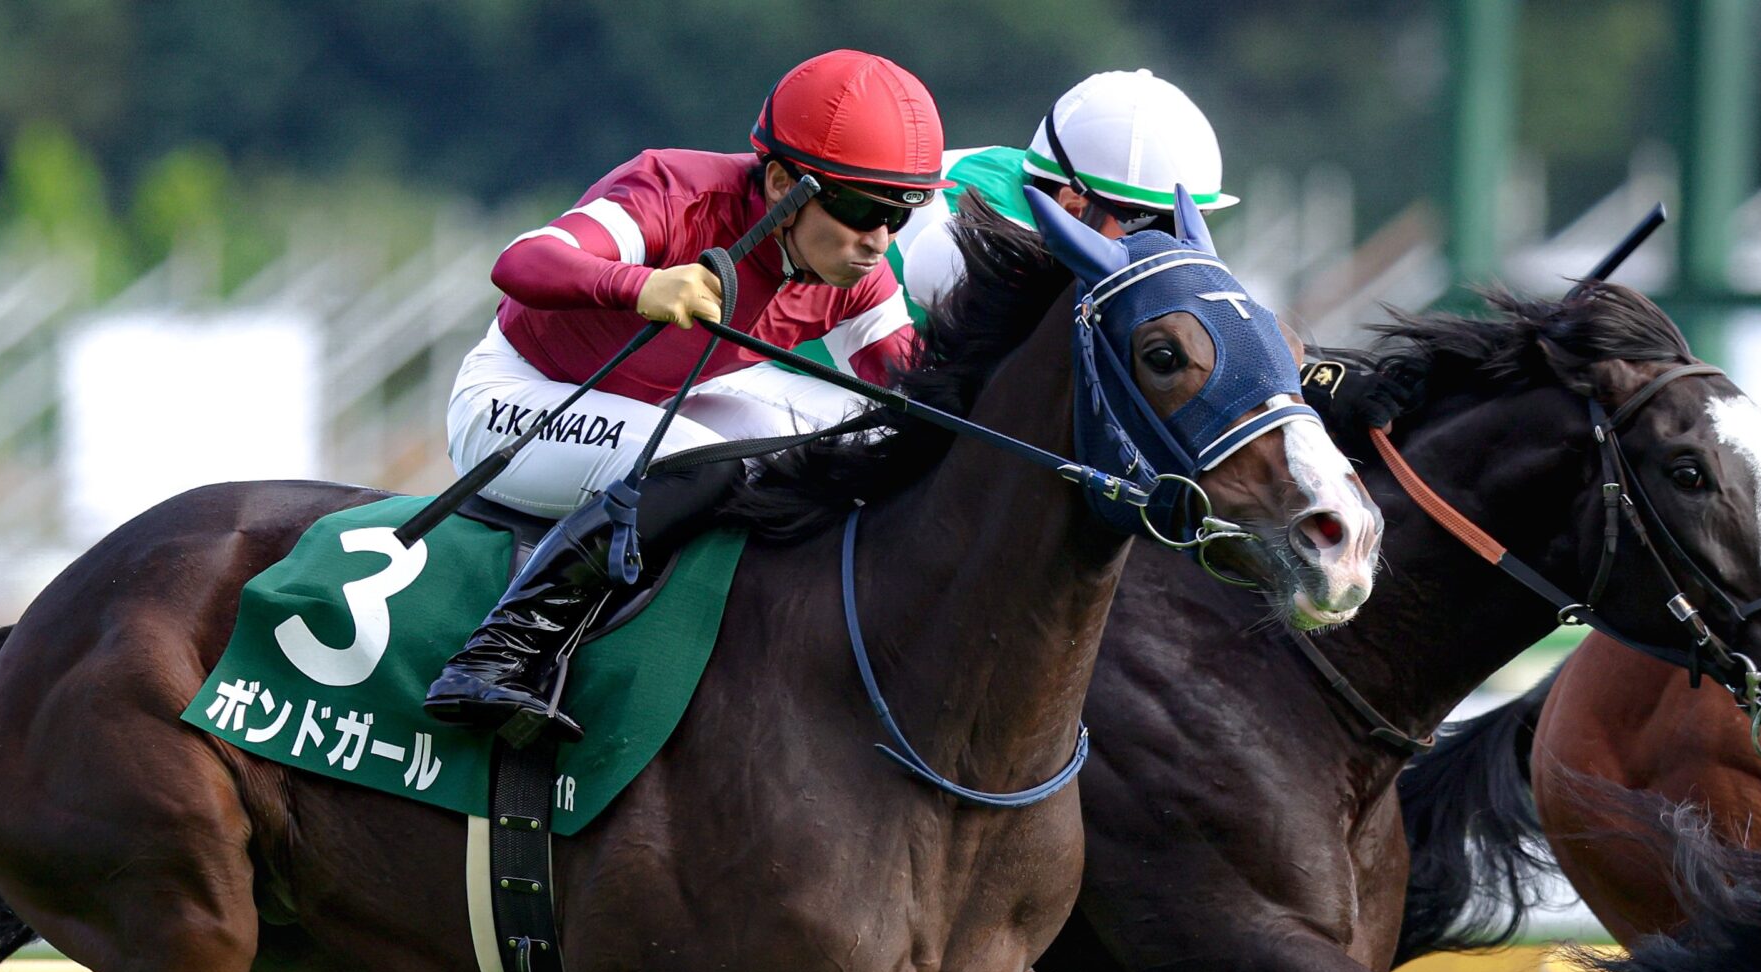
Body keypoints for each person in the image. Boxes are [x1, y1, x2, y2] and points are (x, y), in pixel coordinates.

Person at [424, 48, 943, 738]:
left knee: (868, 433)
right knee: (705, 464)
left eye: (900, 216)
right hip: (525, 396)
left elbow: (916, 396)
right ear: (784, 180)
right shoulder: (675, 192)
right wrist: (640, 285)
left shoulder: (853, 273)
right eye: (859, 208)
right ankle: (496, 658)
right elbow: (519, 262)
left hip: (669, 399)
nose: (878, 242)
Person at [894, 69, 1237, 317]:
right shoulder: (992, 253)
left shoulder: (1049, 187)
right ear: (1073, 208)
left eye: (1192, 223)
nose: (1173, 245)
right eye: (1155, 226)